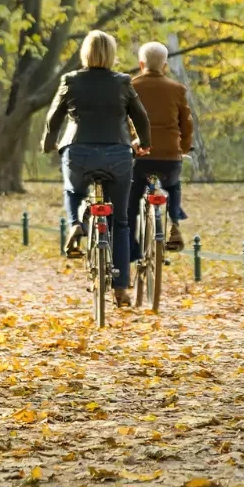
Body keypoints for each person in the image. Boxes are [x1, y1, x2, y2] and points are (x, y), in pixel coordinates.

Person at [41, 30, 151, 307]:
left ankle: (77, 224)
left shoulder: (70, 80)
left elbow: (54, 117)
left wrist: (48, 143)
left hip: (78, 152)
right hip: (118, 155)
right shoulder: (123, 82)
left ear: (85, 53)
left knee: (73, 190)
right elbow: (140, 116)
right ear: (111, 54)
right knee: (122, 222)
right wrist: (144, 143)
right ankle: (121, 288)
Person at [129, 41, 193, 253]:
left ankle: (130, 246)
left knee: (131, 200)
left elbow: (124, 120)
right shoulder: (177, 89)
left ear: (141, 64)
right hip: (169, 157)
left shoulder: (131, 87)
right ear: (165, 66)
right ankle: (174, 222)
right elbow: (186, 123)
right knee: (173, 186)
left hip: (139, 156)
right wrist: (183, 148)